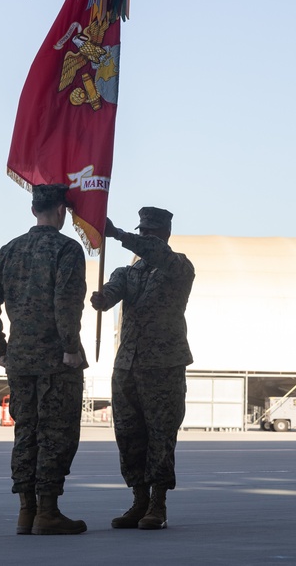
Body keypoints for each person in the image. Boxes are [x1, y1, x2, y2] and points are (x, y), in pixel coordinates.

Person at [0, 184, 88, 536]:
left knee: (26, 433)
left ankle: (26, 512)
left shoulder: (10, 250)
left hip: (20, 359)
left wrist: (0, 347)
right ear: (61, 211)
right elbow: (67, 302)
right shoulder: (67, 249)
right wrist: (71, 346)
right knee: (56, 434)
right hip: (57, 361)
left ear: (33, 210)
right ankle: (48, 512)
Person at [89, 207, 195, 530]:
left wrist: (118, 234)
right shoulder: (127, 273)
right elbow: (112, 292)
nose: (146, 237)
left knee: (161, 436)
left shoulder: (178, 267)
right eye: (142, 231)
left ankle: (157, 504)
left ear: (164, 236)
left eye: (151, 232)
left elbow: (156, 254)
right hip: (127, 367)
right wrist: (102, 299)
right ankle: (138, 499)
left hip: (163, 366)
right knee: (129, 435)